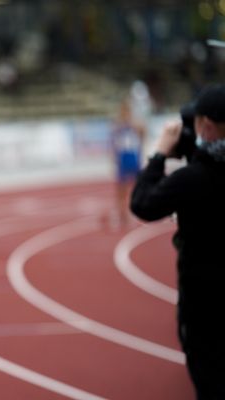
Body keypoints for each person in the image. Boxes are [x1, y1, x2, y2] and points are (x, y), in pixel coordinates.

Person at [130, 83, 225, 399]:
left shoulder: (193, 179)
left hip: (204, 300)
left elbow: (142, 203)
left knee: (209, 377)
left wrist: (158, 155)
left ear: (206, 126)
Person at [105, 96, 145, 229]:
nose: (125, 113)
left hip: (133, 158)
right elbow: (112, 142)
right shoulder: (117, 125)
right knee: (120, 191)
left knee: (137, 189)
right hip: (122, 159)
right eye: (123, 111)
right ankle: (122, 215)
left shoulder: (135, 124)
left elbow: (143, 133)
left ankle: (137, 212)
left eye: (127, 110)